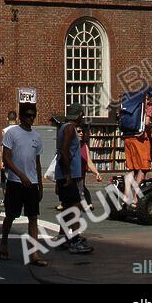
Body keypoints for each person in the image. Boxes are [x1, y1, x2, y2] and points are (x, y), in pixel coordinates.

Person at [0, 102, 45, 266]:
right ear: (21, 116)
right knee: (11, 215)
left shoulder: (37, 137)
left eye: (33, 115)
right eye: (28, 115)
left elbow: (37, 163)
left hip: (31, 183)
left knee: (33, 218)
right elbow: (6, 158)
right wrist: (20, 175)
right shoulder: (12, 134)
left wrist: (40, 185)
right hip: (15, 182)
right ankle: (3, 243)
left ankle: (34, 254)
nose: (31, 118)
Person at [54, 104, 93, 253]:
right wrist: (69, 175)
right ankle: (75, 241)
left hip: (63, 174)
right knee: (76, 205)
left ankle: (62, 238)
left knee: (67, 206)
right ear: (80, 115)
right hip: (68, 174)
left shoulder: (63, 127)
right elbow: (64, 152)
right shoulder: (70, 128)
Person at [123, 94, 152, 207]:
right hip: (140, 140)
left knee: (131, 169)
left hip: (128, 138)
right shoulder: (147, 106)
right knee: (142, 169)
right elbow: (146, 123)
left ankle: (126, 197)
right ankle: (135, 199)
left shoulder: (131, 103)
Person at [77, 124, 101, 209]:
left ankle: (88, 204)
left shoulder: (84, 146)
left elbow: (89, 162)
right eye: (78, 131)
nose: (81, 133)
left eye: (82, 131)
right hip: (72, 175)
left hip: (81, 174)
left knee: (82, 187)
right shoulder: (70, 146)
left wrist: (97, 173)